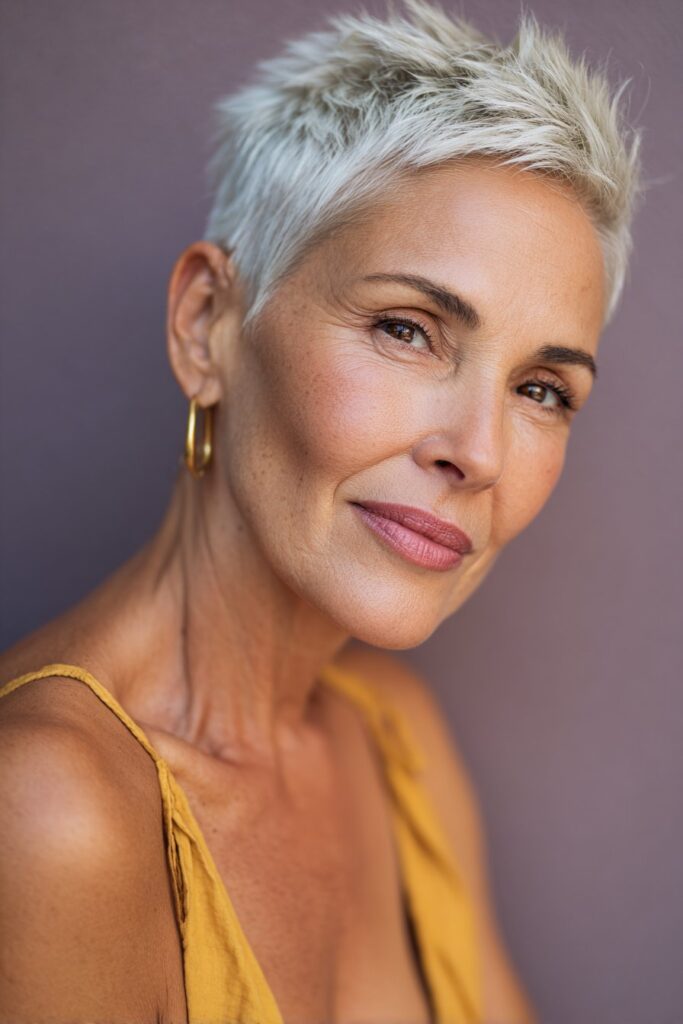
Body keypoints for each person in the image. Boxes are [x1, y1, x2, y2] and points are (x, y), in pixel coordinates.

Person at [0, 1, 643, 1022]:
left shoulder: (401, 747)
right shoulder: (48, 809)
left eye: (540, 390)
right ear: (207, 324)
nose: (475, 452)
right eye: (406, 328)